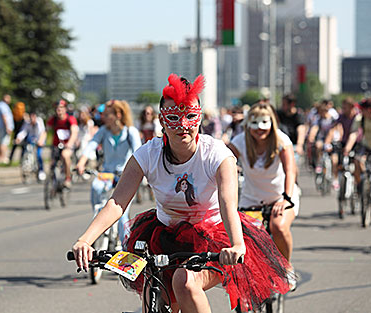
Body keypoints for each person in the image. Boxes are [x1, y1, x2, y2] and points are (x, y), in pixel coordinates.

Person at [73, 74, 292, 312]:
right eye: (174, 118)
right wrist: (85, 239)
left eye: (190, 116)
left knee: (184, 281)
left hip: (213, 236)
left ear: (199, 119)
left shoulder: (217, 154)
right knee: (152, 293)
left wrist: (237, 245)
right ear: (162, 121)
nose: (183, 125)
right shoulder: (148, 154)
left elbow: (228, 204)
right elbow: (117, 202)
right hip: (164, 236)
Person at [228, 102, 299, 292]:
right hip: (251, 199)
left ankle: (286, 267)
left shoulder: (281, 140)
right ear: (248, 123)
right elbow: (223, 160)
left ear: (272, 122)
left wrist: (286, 198)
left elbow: (290, 170)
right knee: (243, 235)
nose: (260, 128)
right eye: (255, 123)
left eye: (264, 122)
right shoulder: (240, 141)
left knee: (278, 227)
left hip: (281, 196)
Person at [76, 99, 141, 245]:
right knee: (96, 188)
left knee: (122, 213)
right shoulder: (103, 131)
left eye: (107, 114)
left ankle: (125, 249)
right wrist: (81, 162)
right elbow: (91, 144)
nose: (103, 117)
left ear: (118, 115)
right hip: (106, 173)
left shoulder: (130, 132)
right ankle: (99, 221)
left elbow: (139, 152)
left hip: (125, 175)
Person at [46, 99, 78, 188]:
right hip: (56, 145)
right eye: (57, 108)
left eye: (61, 108)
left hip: (67, 145)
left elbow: (74, 132)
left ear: (65, 109)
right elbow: (46, 131)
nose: (58, 110)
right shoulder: (53, 120)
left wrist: (70, 143)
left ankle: (68, 178)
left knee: (65, 156)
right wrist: (41, 140)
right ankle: (53, 182)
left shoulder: (70, 119)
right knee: (52, 162)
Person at [14, 110, 47, 181]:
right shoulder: (27, 123)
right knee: (27, 151)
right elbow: (23, 131)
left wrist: (41, 141)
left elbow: (42, 132)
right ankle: (26, 166)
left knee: (38, 155)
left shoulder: (39, 122)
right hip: (31, 140)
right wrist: (18, 138)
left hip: (39, 140)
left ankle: (41, 170)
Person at [277, 94, 306, 163]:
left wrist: (300, 145)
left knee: (293, 166)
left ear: (292, 104)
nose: (282, 106)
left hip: (294, 145)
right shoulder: (278, 114)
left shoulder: (298, 116)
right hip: (281, 145)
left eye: (284, 104)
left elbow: (301, 130)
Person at [0, 94, 14, 164]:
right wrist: (7, 127)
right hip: (4, 127)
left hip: (1, 126)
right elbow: (4, 116)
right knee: (4, 142)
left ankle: (0, 157)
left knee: (1, 142)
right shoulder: (3, 106)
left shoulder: (0, 105)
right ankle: (3, 157)